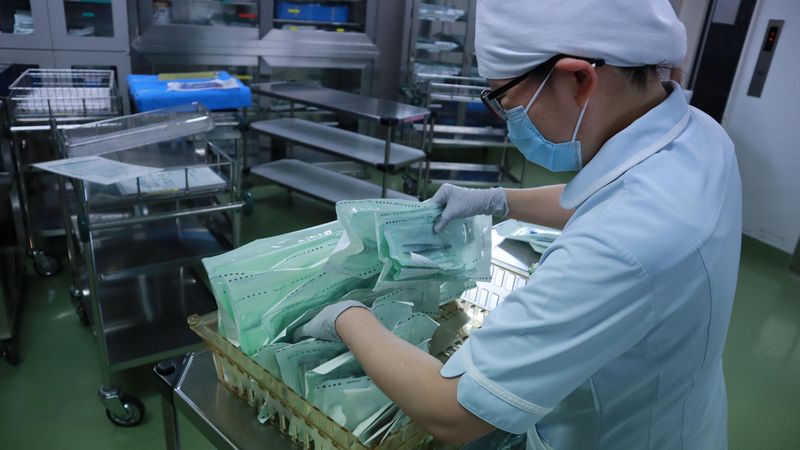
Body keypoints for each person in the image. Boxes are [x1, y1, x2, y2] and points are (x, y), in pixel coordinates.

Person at [296, 0, 742, 448]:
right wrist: (498, 201)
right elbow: (609, 200)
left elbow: (453, 412)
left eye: (506, 102)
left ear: (580, 79)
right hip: (680, 417)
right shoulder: (701, 135)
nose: (509, 123)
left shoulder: (620, 246)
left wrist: (349, 319)